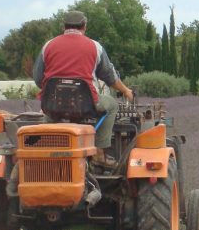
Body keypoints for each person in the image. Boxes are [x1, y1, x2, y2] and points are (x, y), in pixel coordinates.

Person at [33, 10, 134, 167]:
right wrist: (126, 91)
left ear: (64, 27)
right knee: (112, 105)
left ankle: (47, 148)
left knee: (49, 117)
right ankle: (99, 153)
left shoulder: (48, 46)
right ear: (84, 26)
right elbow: (110, 77)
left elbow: (38, 79)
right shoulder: (95, 47)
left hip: (52, 104)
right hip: (85, 103)